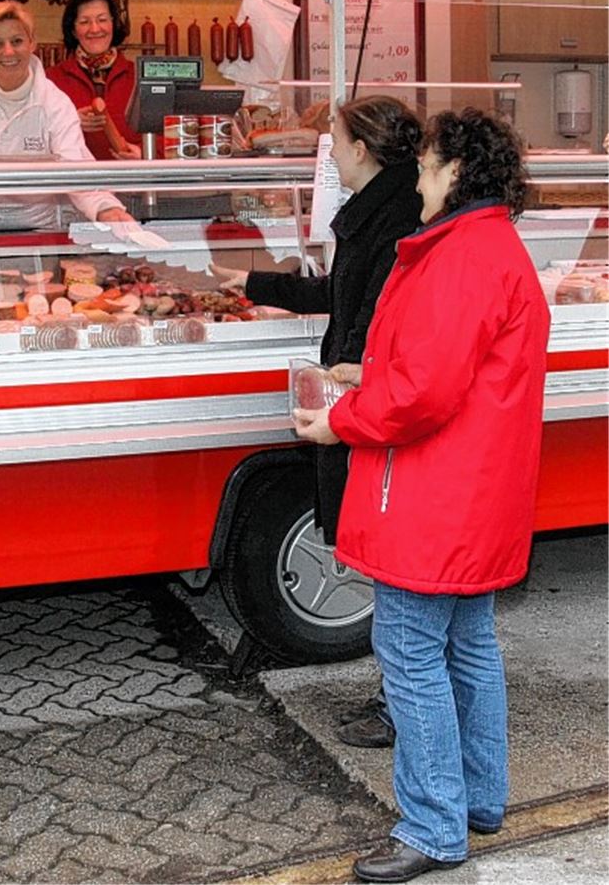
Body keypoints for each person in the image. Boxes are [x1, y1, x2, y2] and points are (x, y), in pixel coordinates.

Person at [292, 109, 550, 883]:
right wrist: (368, 377)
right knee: (468, 644)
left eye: (429, 164)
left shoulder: (460, 255)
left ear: (457, 172)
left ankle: (433, 824)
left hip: (434, 494)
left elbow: (425, 395)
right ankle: (478, 796)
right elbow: (451, 371)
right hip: (475, 490)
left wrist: (343, 420)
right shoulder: (490, 246)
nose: (419, 178)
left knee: (408, 654)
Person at [220, 95, 422, 748]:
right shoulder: (372, 213)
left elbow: (373, 323)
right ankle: (399, 695)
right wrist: (249, 283)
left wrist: (346, 390)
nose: (329, 152)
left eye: (334, 140)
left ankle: (401, 705)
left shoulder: (395, 220)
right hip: (359, 402)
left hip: (371, 409)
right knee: (389, 566)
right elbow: (335, 295)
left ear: (362, 151)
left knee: (396, 568)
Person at [0, 0, 146, 242]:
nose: (9, 51)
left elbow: (75, 167)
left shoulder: (54, 101)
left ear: (32, 44)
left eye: (17, 41)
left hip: (39, 224)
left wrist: (106, 208)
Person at [46, 0, 141, 160]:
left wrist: (144, 153)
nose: (95, 29)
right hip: (75, 182)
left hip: (132, 181)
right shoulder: (52, 79)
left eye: (102, 20)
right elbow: (34, 136)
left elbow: (169, 133)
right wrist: (69, 121)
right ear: (74, 30)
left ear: (114, 24)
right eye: (84, 22)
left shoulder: (138, 77)